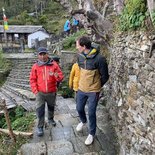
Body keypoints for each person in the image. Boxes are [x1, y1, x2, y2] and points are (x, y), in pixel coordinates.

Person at [75, 36, 109, 145]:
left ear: (84, 46)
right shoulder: (79, 56)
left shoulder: (99, 59)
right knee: (79, 108)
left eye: (78, 45)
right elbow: (80, 70)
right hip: (81, 88)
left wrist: (97, 85)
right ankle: (83, 121)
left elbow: (105, 76)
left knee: (91, 112)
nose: (76, 47)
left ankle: (91, 133)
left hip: (93, 91)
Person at [29, 47, 64, 137]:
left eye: (44, 54)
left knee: (51, 107)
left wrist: (55, 75)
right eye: (40, 54)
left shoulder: (54, 65)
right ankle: (40, 127)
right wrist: (35, 91)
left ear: (47, 54)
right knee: (40, 110)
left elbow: (60, 77)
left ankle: (51, 119)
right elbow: (32, 80)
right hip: (40, 93)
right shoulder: (35, 66)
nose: (43, 56)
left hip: (51, 91)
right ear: (38, 55)